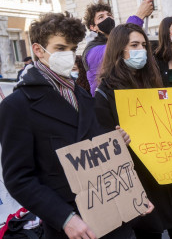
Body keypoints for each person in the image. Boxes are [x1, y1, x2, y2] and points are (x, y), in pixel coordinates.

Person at [0, 12, 153, 239]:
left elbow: (98, 151)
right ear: (39, 50)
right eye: (61, 48)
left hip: (115, 220)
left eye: (73, 49)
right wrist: (64, 218)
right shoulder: (17, 106)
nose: (69, 56)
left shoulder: (83, 95)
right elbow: (19, 178)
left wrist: (118, 146)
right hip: (71, 226)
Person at [94, 23, 172, 239]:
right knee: (148, 232)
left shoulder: (153, 82)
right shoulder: (105, 93)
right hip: (141, 181)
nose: (141, 50)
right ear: (118, 49)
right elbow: (102, 144)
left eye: (143, 45)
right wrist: (115, 140)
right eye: (134, 45)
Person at [82, 0, 153, 96]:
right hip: (105, 104)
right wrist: (139, 16)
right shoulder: (92, 51)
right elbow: (115, 48)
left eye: (109, 15)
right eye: (101, 17)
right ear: (93, 27)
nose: (107, 18)